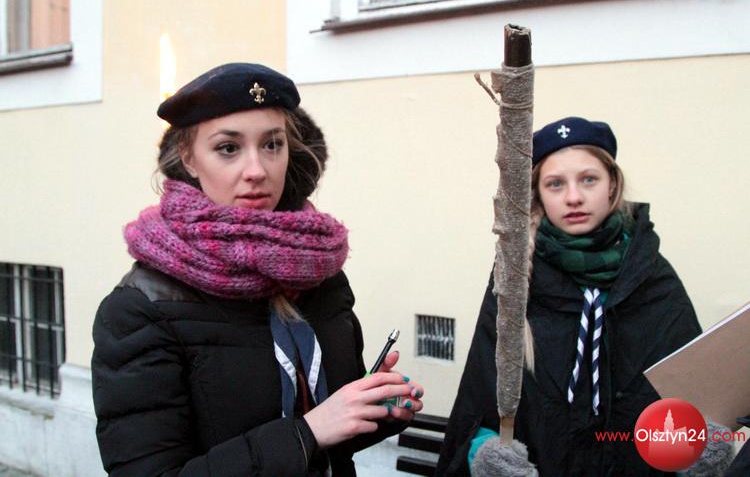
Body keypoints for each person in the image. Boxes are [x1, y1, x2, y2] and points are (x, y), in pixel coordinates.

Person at [91, 63, 424, 476]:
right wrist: (307, 433)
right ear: (188, 159)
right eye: (228, 148)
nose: (257, 170)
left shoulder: (318, 271)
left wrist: (372, 405)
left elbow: (329, 432)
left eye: (272, 144)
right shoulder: (141, 308)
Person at [436, 116, 702, 476]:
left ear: (612, 184)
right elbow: (480, 393)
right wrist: (484, 452)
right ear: (538, 194)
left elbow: (691, 390)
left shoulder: (651, 275)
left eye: (588, 179)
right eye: (555, 184)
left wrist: (700, 447)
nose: (574, 197)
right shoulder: (516, 277)